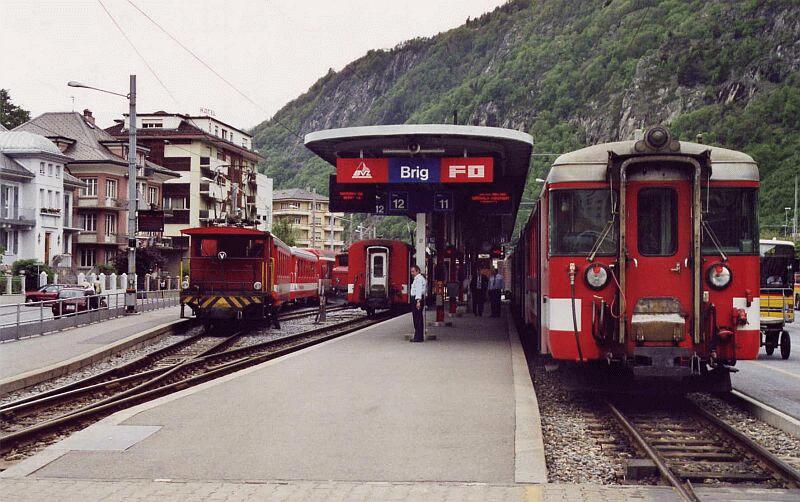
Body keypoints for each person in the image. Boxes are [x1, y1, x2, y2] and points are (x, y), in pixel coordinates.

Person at [409, 264, 427, 342]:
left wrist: (418, 301)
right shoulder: (418, 278)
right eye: (411, 272)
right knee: (417, 318)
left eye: (413, 271)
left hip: (417, 299)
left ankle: (418, 337)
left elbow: (419, 290)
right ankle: (418, 336)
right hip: (417, 299)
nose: (412, 273)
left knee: (417, 319)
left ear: (417, 271)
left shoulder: (419, 279)